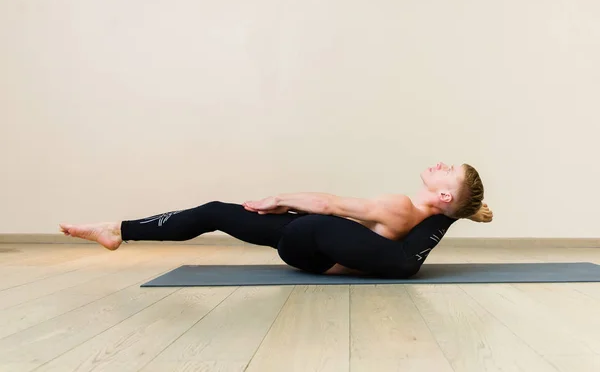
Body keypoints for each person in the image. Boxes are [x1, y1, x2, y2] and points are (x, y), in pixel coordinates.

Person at [59, 162, 492, 278]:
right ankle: (116, 231)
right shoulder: (418, 217)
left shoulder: (400, 207)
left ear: (442, 195)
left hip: (308, 244)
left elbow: (331, 205)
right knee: (214, 212)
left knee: (306, 219)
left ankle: (118, 230)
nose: (438, 164)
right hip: (312, 243)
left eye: (445, 170)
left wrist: (278, 198)